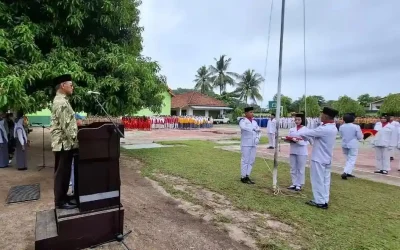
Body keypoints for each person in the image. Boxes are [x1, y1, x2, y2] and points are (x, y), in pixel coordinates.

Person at [297, 107, 339, 209]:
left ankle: (319, 201)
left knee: (317, 180)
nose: (320, 116)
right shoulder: (332, 127)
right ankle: (324, 200)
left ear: (325, 116)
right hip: (326, 157)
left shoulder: (325, 129)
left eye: (322, 115)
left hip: (319, 158)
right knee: (325, 180)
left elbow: (304, 133)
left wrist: (307, 136)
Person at [50, 73, 78, 209]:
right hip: (63, 144)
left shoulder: (62, 100)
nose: (73, 87)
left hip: (64, 144)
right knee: (62, 173)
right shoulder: (61, 102)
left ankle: (63, 197)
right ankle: (60, 202)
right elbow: (67, 127)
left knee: (64, 172)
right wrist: (77, 143)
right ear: (63, 85)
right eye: (71, 85)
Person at [285, 113, 310, 191]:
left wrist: (299, 141)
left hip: (302, 150)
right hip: (293, 149)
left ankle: (299, 184)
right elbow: (289, 138)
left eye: (299, 119)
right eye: (295, 119)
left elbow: (308, 141)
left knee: (300, 168)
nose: (297, 121)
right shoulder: (292, 129)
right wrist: (289, 140)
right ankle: (294, 183)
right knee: (293, 168)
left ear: (302, 120)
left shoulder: (306, 129)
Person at [239, 107, 261, 184]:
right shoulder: (243, 121)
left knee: (251, 160)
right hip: (246, 143)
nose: (252, 113)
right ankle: (243, 176)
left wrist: (258, 138)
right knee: (245, 160)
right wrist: (252, 129)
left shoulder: (255, 122)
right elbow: (243, 127)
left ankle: (247, 175)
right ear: (246, 113)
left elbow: (259, 131)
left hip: (253, 143)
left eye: (252, 112)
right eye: (250, 112)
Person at [338, 113, 363, 180]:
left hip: (344, 143)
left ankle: (348, 172)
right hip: (352, 144)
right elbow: (359, 136)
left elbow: (340, 135)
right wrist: (361, 139)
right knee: (352, 159)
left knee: (347, 159)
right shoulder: (356, 126)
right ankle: (345, 172)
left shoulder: (341, 126)